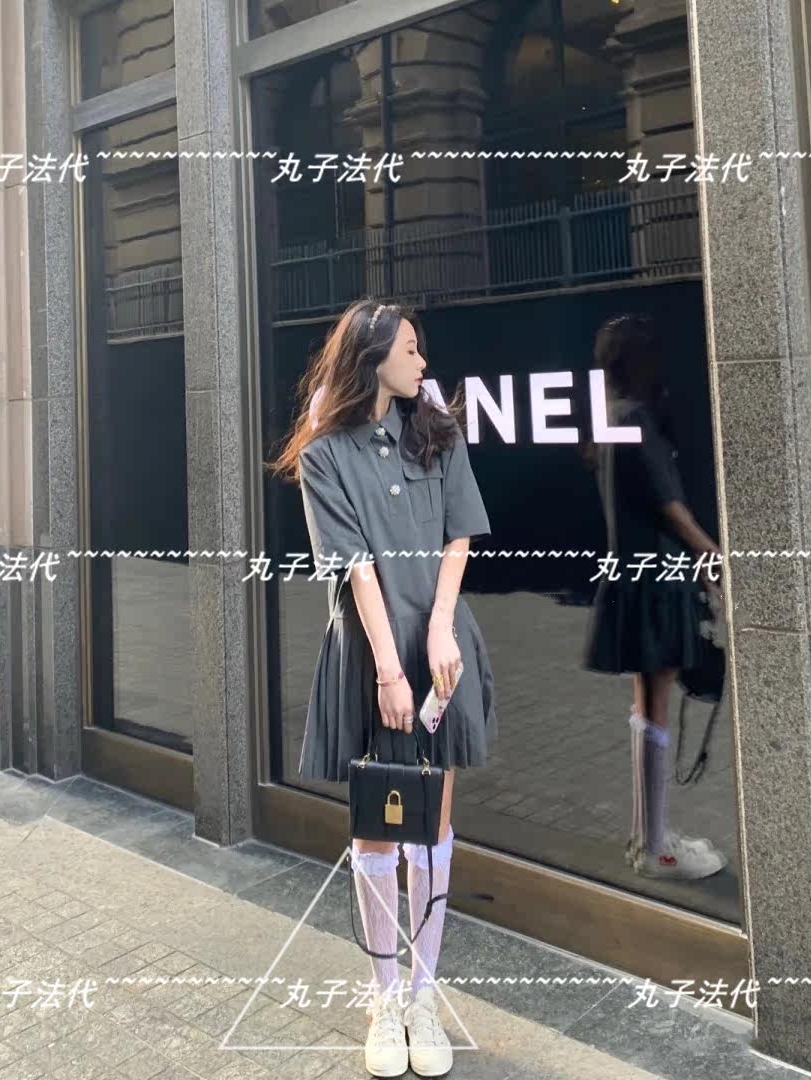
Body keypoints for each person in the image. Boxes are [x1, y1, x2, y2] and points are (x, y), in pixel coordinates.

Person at [268, 297, 496, 1078]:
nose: (422, 363)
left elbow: (459, 535)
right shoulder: (324, 454)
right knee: (377, 828)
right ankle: (384, 997)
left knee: (430, 825)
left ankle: (425, 998)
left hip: (440, 649)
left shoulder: (437, 431)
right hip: (372, 651)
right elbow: (356, 568)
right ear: (372, 361)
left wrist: (439, 630)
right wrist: (389, 670)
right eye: (409, 350)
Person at [582, 313, 727, 881]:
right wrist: (714, 560)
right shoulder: (635, 420)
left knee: (647, 702)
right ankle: (655, 846)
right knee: (655, 702)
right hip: (657, 579)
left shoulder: (610, 420)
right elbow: (673, 511)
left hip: (634, 574)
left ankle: (649, 836)